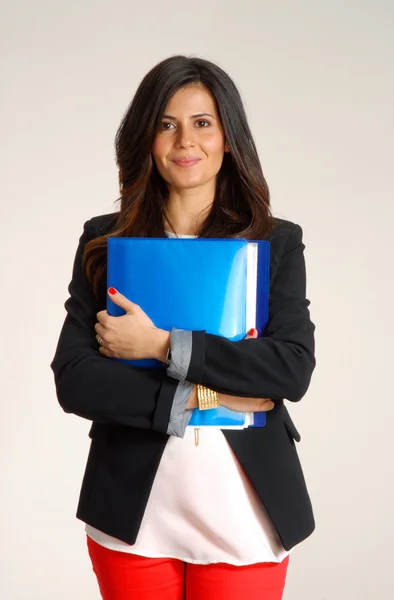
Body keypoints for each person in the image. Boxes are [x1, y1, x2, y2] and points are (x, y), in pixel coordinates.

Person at [50, 55, 316, 600]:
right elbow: (75, 378)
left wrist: (162, 346)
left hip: (245, 512)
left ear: (227, 136)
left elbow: (290, 367)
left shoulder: (274, 243)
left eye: (202, 123)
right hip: (132, 512)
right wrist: (214, 393)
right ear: (146, 138)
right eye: (166, 124)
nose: (184, 142)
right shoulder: (107, 240)